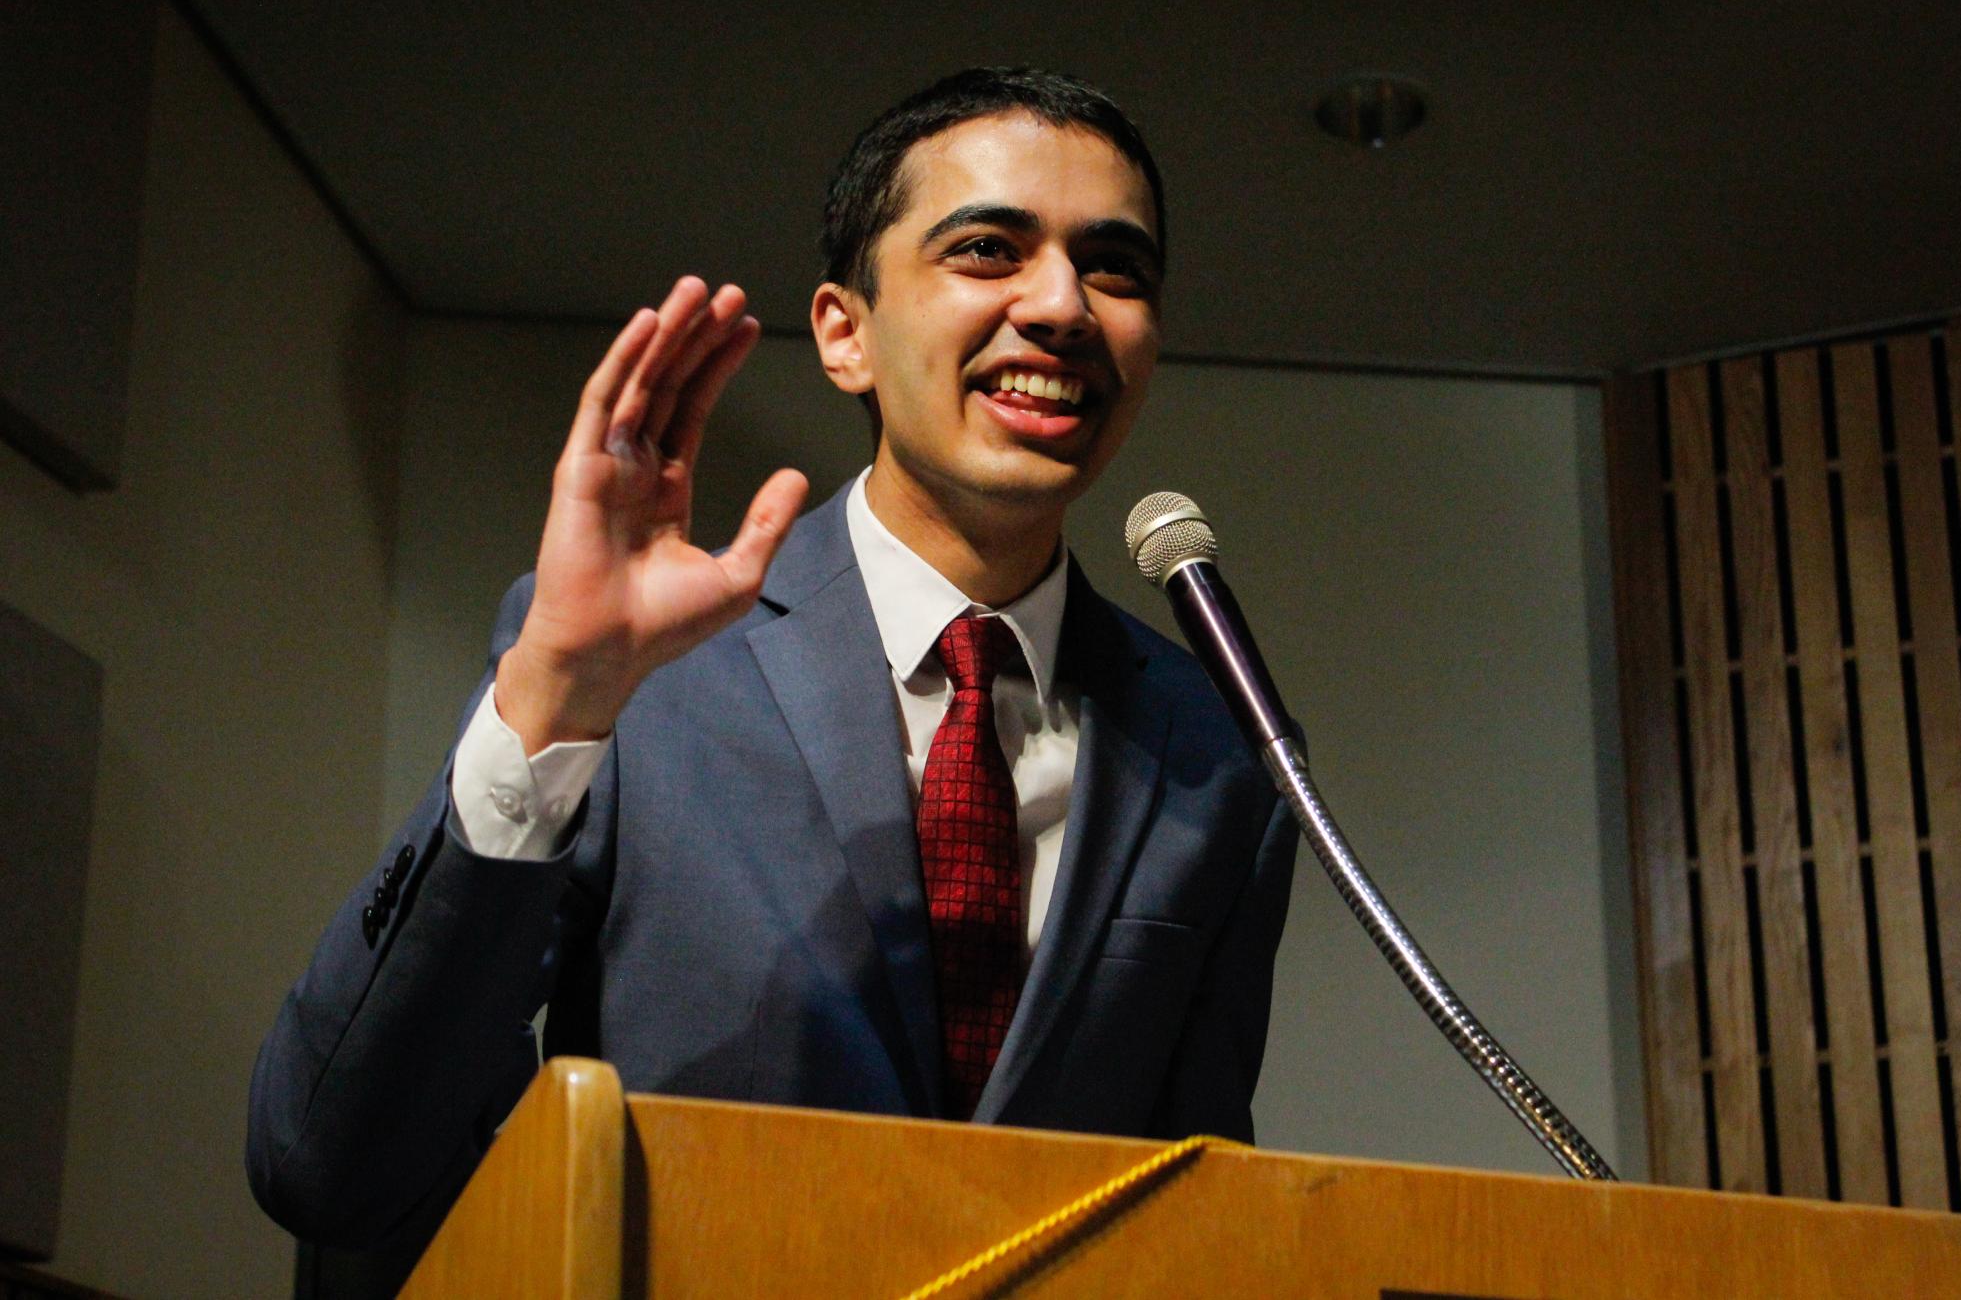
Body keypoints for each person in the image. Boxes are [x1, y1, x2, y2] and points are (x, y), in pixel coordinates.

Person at [248, 67, 1298, 1252]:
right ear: (846, 335)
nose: (1063, 304)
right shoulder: (646, 673)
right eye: (989, 251)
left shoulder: (1221, 755)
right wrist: (555, 694)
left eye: (1118, 269)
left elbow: (1198, 1219)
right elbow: (328, 1160)